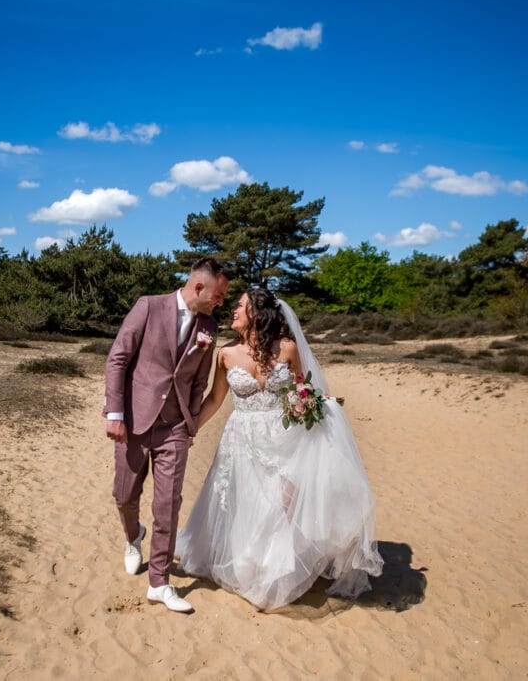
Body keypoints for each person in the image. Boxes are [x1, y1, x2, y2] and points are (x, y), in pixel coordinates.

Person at [176, 288, 383, 611]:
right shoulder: (226, 353)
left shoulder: (287, 348)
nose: (233, 311)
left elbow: (303, 387)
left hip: (283, 439)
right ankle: (247, 563)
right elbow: (216, 399)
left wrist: (314, 406)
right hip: (241, 438)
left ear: (257, 313)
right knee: (245, 500)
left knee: (281, 502)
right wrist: (191, 429)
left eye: (240, 306)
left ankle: (276, 568)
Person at [104, 257, 231, 613]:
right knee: (124, 494)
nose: (220, 302)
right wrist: (115, 413)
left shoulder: (210, 326)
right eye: (219, 295)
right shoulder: (148, 306)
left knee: (168, 505)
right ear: (199, 287)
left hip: (175, 427)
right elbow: (118, 358)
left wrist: (190, 423)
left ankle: (159, 582)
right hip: (133, 420)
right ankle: (133, 537)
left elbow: (200, 380)